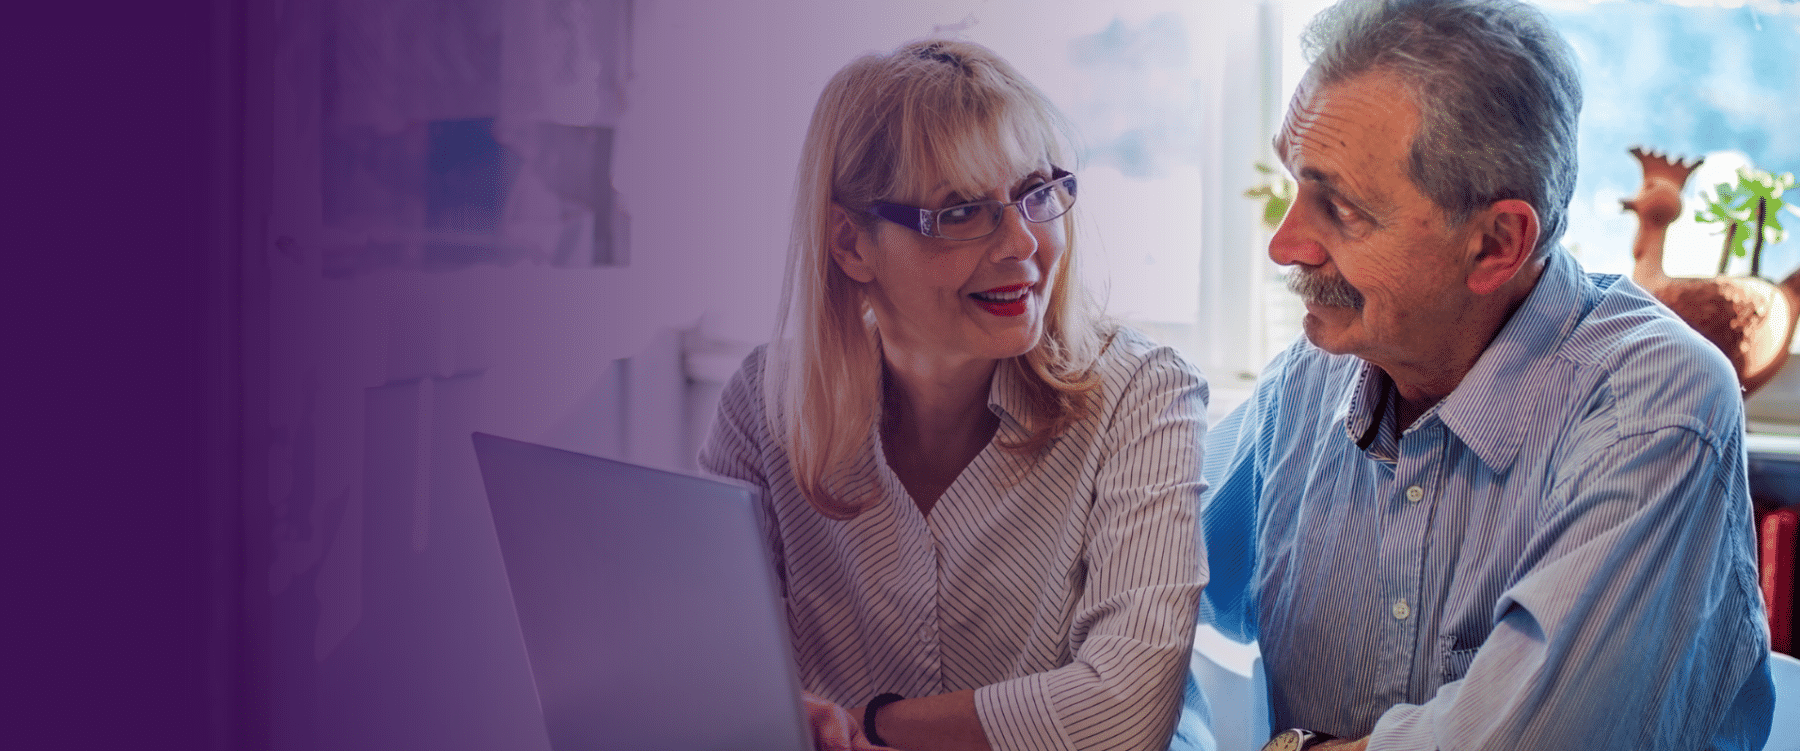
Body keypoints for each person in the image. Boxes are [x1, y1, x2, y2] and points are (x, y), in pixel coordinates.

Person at [1198, 1, 1775, 749]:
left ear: (1498, 243)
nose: (1285, 246)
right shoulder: (1314, 375)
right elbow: (1140, 579)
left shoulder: (1658, 404)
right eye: (1293, 187)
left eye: (1338, 209)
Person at [699, 39, 1211, 751]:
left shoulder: (1142, 394)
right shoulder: (764, 406)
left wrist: (868, 725)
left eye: (1037, 193)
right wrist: (786, 706)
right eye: (962, 211)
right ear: (851, 245)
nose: (1022, 244)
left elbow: (1124, 716)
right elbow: (712, 663)